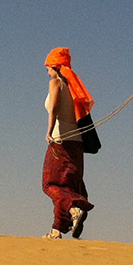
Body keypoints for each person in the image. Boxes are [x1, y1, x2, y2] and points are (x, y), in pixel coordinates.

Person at [42, 47, 95, 239]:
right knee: (66, 186)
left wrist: (48, 132)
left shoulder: (56, 83)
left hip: (60, 140)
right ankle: (57, 229)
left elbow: (54, 108)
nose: (47, 72)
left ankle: (74, 209)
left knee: (51, 184)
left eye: (48, 67)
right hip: (77, 142)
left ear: (55, 66)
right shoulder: (74, 86)